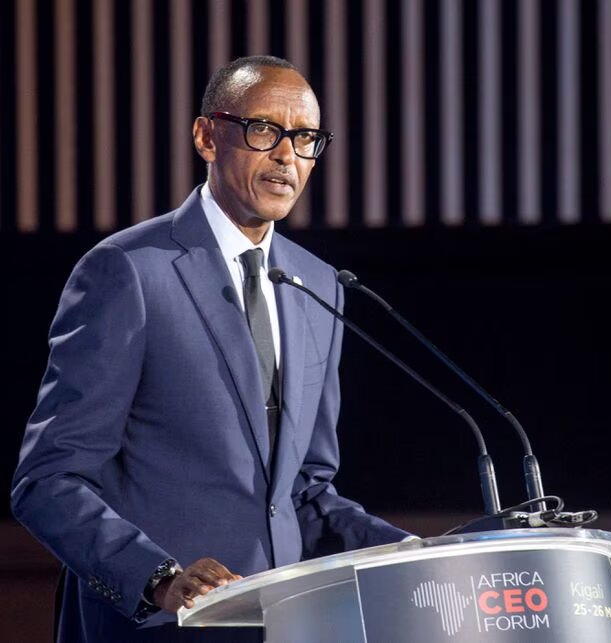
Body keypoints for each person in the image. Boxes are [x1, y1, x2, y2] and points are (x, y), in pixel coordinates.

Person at [10, 55, 411, 642]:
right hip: (158, 626)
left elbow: (302, 494)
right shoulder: (129, 271)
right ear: (206, 136)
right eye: (264, 129)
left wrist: (410, 552)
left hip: (283, 624)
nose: (287, 155)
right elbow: (48, 480)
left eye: (305, 138)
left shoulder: (318, 284)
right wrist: (158, 578)